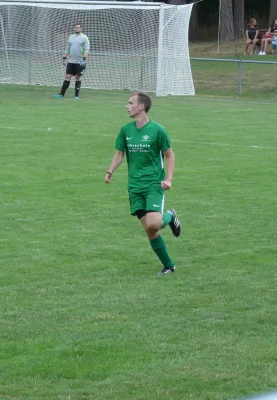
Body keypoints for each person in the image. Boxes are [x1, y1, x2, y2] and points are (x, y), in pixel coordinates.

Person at [105, 91, 182, 276]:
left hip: (153, 184)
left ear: (141, 106)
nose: (127, 106)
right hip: (134, 186)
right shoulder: (125, 130)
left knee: (154, 223)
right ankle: (169, 266)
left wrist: (169, 179)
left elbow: (169, 155)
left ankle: (170, 217)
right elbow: (119, 153)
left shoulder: (158, 130)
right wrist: (110, 171)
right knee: (149, 230)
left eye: (131, 103)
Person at [53, 23, 90, 99]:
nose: (77, 29)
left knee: (77, 77)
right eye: (76, 27)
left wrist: (84, 59)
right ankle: (61, 94)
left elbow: (86, 50)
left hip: (79, 62)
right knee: (67, 76)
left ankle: (76, 95)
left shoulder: (84, 38)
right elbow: (68, 49)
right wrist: (64, 57)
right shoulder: (71, 37)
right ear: (74, 28)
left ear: (81, 28)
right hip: (71, 61)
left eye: (78, 27)